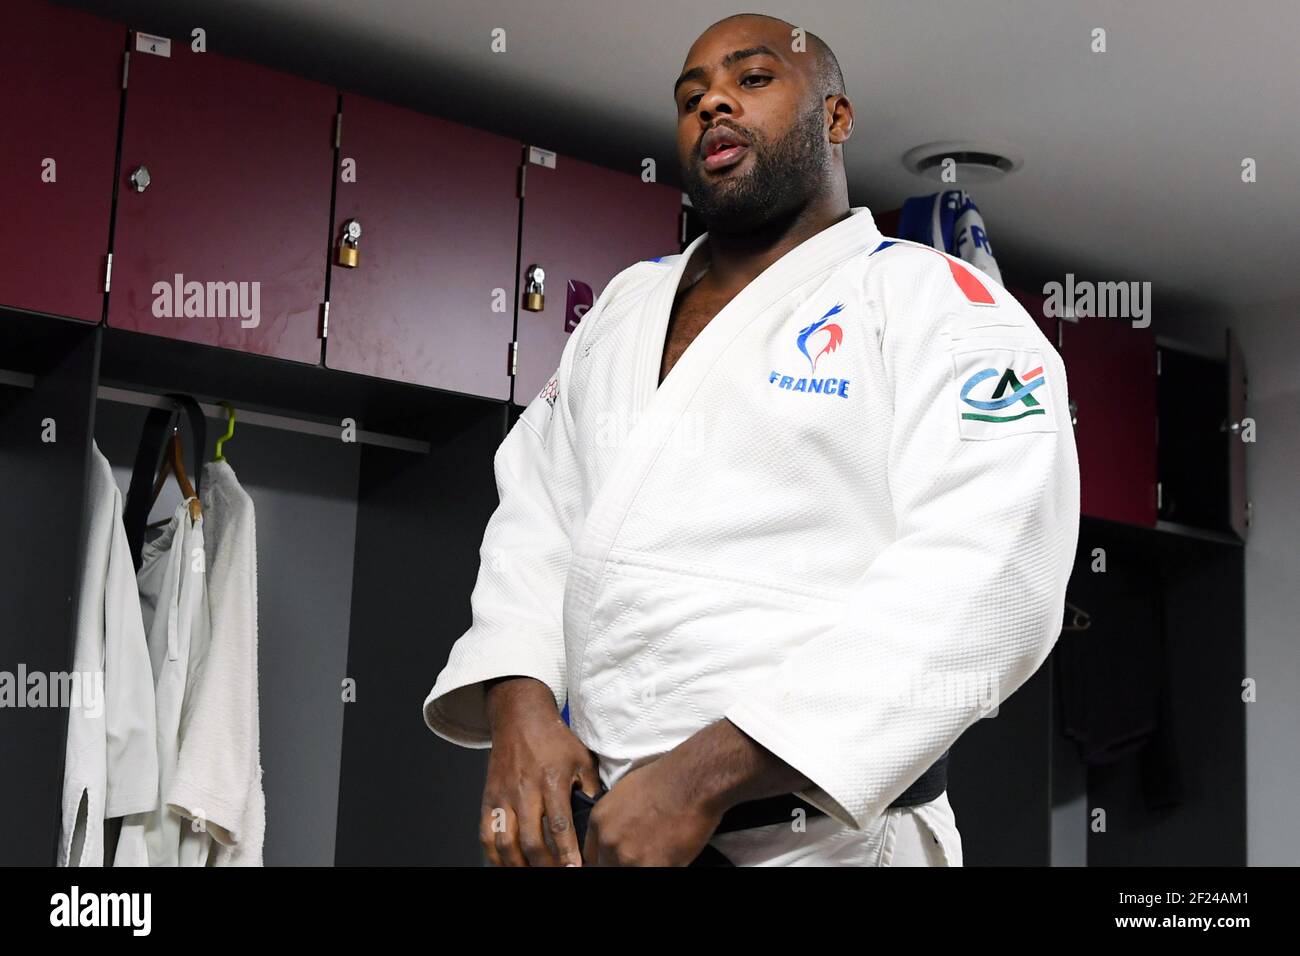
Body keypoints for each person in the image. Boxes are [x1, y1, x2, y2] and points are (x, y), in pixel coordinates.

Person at [424, 12, 1080, 866]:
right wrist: (520, 707)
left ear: (836, 118)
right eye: (691, 96)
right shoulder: (623, 308)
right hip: (614, 834)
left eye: (754, 79)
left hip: (825, 843)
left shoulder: (940, 306)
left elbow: (993, 573)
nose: (714, 104)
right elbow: (538, 519)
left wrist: (704, 775)